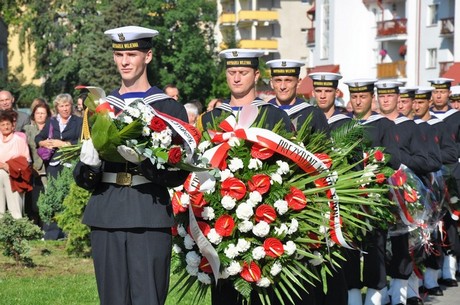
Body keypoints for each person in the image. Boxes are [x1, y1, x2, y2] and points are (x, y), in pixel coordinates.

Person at [73, 25, 189, 305]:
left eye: (132, 54)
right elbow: (83, 178)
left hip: (147, 211)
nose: (124, 61)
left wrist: (148, 164)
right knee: (112, 299)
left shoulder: (168, 108)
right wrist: (89, 166)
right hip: (106, 211)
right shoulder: (100, 106)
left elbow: (180, 173)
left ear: (147, 57)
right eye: (119, 54)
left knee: (148, 297)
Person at [198, 49, 291, 305]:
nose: (237, 78)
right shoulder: (211, 118)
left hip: (265, 224)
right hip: (220, 222)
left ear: (257, 75)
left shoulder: (274, 116)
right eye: (231, 72)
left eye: (243, 72)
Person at [343, 79, 401, 305]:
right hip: (349, 199)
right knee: (349, 250)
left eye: (363, 96)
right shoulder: (345, 125)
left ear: (372, 98)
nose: (358, 101)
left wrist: (376, 162)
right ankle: (354, 295)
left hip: (375, 198)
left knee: (375, 247)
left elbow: (395, 159)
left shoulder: (384, 125)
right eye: (354, 96)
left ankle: (376, 294)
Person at [428, 77, 460, 289]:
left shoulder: (456, 117)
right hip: (432, 175)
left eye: (442, 92)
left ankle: (450, 266)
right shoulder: (426, 116)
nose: (438, 95)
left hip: (454, 173)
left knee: (451, 220)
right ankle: (433, 270)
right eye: (435, 92)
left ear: (449, 94)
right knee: (431, 222)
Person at [265, 59, 329, 133]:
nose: (282, 86)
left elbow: (325, 143)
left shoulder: (313, 114)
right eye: (278, 80)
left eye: (288, 80)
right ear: (271, 83)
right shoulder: (262, 112)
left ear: (298, 82)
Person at [35, 93, 83, 179]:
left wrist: (62, 144)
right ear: (57, 107)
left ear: (71, 106)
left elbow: (81, 142)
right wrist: (43, 143)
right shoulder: (51, 121)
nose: (65, 109)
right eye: (61, 106)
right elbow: (38, 138)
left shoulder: (79, 121)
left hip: (72, 163)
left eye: (67, 105)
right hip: (53, 164)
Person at [23, 103, 53, 225]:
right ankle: (34, 226)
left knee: (48, 197)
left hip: (49, 168)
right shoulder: (27, 129)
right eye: (38, 113)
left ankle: (47, 226)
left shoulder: (53, 128)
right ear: (33, 115)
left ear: (47, 115)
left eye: (43, 113)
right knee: (34, 200)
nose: (40, 115)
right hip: (33, 169)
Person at [0, 111, 32, 219]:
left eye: (8, 124)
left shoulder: (19, 140)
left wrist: (8, 166)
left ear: (13, 125)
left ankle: (19, 232)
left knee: (15, 209)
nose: (6, 127)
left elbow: (26, 161)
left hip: (15, 177)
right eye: (3, 125)